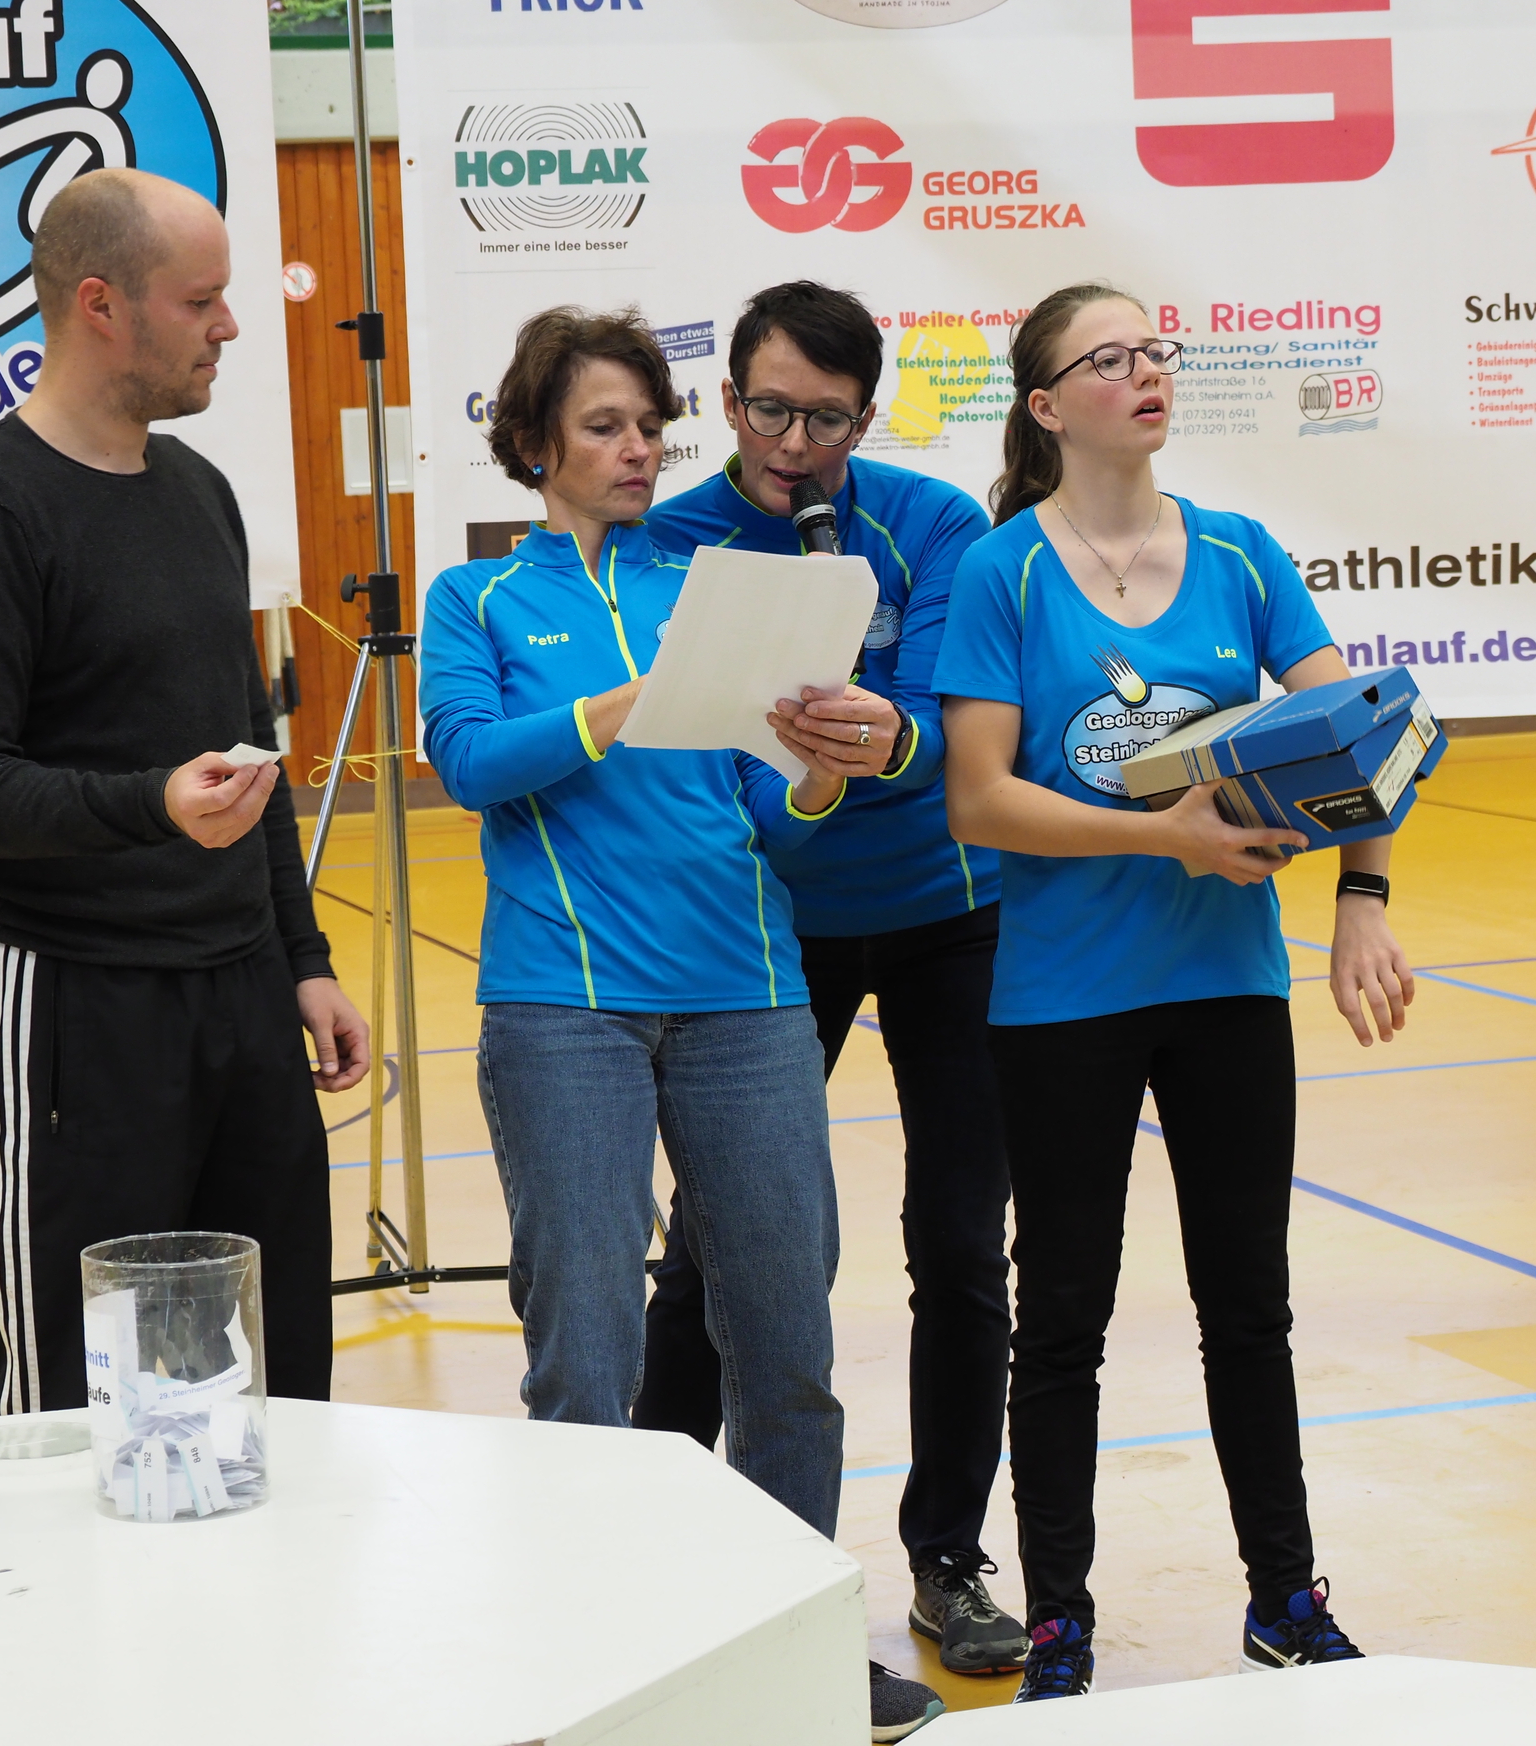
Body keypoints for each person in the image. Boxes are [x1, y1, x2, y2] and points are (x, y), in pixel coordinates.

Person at [418, 305, 945, 1744]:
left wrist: (823, 774)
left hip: (750, 1002)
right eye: (605, 426)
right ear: (534, 444)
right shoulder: (477, 600)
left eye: (651, 427)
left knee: (787, 1349)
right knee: (584, 1357)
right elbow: (470, 762)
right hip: (565, 1011)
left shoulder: (717, 588)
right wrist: (622, 705)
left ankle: (793, 1641)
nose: (640, 449)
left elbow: (771, 803)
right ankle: (598, 1659)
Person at [934, 282, 1418, 1700]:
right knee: (1062, 1322)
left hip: (1227, 990)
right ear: (1047, 406)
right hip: (1063, 1001)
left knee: (1248, 1308)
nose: (1147, 370)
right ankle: (1059, 1621)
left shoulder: (1242, 553)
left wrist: (1362, 902)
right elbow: (980, 800)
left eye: (1156, 349)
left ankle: (1286, 1599)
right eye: (1111, 357)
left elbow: (1362, 732)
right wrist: (1171, 838)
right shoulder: (1005, 574)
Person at [0, 167, 371, 1418]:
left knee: (270, 1388)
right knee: (76, 1400)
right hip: (72, 1007)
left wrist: (301, 959)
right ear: (100, 304)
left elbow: (251, 751)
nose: (230, 326)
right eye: (200, 301)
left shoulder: (200, 493)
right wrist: (150, 802)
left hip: (241, 1002)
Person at [639, 282, 1027, 1677]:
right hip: (762, 935)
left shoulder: (933, 525)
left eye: (829, 420)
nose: (794, 446)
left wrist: (893, 743)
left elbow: (954, 720)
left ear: (869, 415)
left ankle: (948, 1559)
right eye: (769, 411)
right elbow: (679, 748)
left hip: (948, 918)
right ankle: (647, 1536)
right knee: (715, 1247)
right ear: (725, 400)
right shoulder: (667, 542)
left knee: (961, 1247)